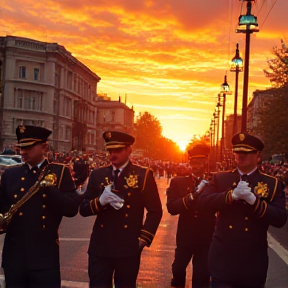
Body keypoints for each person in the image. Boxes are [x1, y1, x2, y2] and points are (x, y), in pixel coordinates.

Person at [197, 132, 288, 288]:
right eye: (238, 152)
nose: (241, 155)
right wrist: (230, 195)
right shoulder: (221, 178)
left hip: (252, 261)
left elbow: (280, 218)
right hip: (223, 259)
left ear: (258, 156)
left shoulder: (272, 184)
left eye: (246, 152)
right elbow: (203, 203)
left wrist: (254, 202)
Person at [79, 130, 163, 288]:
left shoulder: (142, 175)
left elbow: (155, 211)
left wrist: (143, 239)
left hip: (128, 246)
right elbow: (83, 209)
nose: (112, 155)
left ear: (129, 150)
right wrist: (100, 202)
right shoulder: (97, 174)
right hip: (100, 246)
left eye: (117, 150)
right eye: (110, 151)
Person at [0, 125, 79, 288]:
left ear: (44, 147)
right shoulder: (10, 174)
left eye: (28, 147)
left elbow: (71, 209)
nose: (23, 152)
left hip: (44, 258)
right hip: (15, 257)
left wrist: (49, 189)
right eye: (21, 147)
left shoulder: (59, 172)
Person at [166, 149, 215, 288]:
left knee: (201, 276)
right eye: (193, 162)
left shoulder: (213, 182)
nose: (196, 165)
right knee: (178, 269)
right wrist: (188, 199)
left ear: (205, 162)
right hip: (185, 236)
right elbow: (172, 207)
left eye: (200, 162)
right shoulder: (178, 182)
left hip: (206, 236)